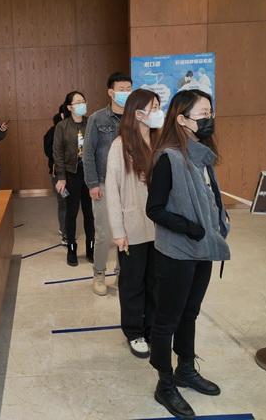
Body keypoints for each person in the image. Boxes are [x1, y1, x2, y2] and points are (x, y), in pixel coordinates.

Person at [145, 89, 230, 420]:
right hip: (177, 253)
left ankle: (185, 369)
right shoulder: (168, 158)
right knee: (166, 321)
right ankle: (165, 384)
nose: (209, 119)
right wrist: (191, 228)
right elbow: (155, 209)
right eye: (203, 114)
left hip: (202, 251)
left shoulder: (200, 155)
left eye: (211, 113)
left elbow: (209, 197)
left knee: (189, 314)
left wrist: (218, 220)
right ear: (181, 119)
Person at [105, 89, 163, 359]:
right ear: (138, 112)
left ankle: (152, 328)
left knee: (156, 282)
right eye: (154, 107)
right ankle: (134, 331)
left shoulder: (160, 141)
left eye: (159, 106)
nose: (158, 112)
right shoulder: (121, 146)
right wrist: (118, 231)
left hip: (160, 227)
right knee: (132, 283)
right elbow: (112, 190)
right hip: (132, 227)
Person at [83, 72, 132, 296]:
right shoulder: (97, 118)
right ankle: (99, 273)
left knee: (127, 232)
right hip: (103, 183)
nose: (126, 93)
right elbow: (88, 153)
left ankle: (122, 273)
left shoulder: (135, 116)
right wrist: (93, 183)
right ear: (111, 92)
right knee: (103, 233)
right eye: (121, 89)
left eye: (129, 89)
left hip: (129, 185)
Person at [53, 91, 95, 267]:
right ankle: (72, 248)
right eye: (77, 102)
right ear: (70, 107)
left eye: (83, 101)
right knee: (71, 213)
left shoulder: (91, 122)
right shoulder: (62, 126)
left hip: (90, 174)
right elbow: (58, 153)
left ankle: (91, 248)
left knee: (90, 213)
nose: (81, 105)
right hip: (71, 174)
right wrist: (61, 177)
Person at [44, 107, 67, 245]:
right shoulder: (52, 132)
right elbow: (49, 152)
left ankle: (64, 228)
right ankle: (65, 234)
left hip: (73, 173)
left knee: (69, 203)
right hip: (58, 173)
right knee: (63, 202)